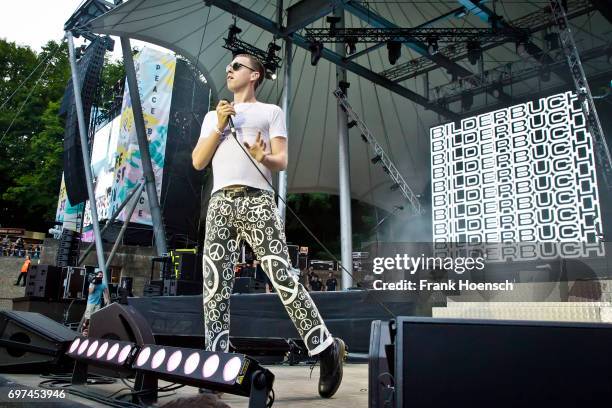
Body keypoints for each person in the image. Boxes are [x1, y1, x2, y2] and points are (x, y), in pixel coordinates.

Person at [192, 53, 345, 398]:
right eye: (228, 65)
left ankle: (326, 348)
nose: (229, 70)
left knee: (281, 276)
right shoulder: (213, 117)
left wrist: (263, 157)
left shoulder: (270, 112)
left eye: (237, 66)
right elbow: (198, 161)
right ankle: (215, 367)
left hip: (258, 199)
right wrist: (218, 124)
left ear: (255, 75)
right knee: (214, 287)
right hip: (220, 201)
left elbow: (281, 160)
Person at [81, 271, 110, 336]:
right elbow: (90, 292)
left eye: (102, 275)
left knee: (95, 318)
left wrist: (107, 300)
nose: (101, 276)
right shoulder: (92, 283)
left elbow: (106, 293)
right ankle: (84, 326)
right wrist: (94, 283)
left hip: (98, 303)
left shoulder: (103, 284)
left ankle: (89, 330)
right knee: (88, 318)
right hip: (91, 303)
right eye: (99, 275)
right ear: (96, 276)